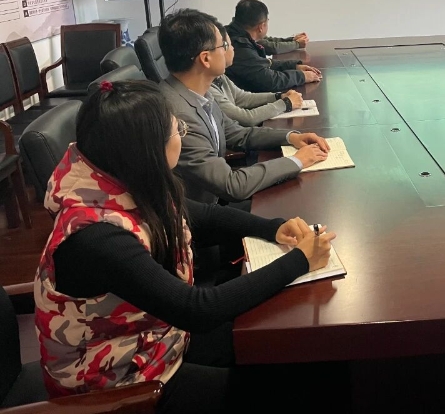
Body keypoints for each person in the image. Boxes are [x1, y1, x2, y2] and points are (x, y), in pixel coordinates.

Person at [33, 80, 336, 412]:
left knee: (287, 349)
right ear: (147, 150)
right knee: (295, 387)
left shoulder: (119, 177)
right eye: (176, 130)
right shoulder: (97, 236)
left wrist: (273, 228)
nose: (183, 134)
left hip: (154, 336)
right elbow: (198, 310)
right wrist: (300, 261)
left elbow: (201, 216)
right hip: (119, 385)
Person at [159, 9, 328, 205]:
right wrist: (297, 161)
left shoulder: (197, 91)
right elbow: (233, 186)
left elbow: (238, 134)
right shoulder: (178, 115)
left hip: (215, 199)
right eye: (224, 45)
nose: (230, 50)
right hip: (199, 214)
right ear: (205, 59)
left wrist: (292, 137)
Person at [208, 21, 304, 126]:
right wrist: (285, 103)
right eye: (227, 45)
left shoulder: (219, 76)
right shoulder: (208, 90)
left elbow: (242, 98)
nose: (233, 48)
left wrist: (279, 96)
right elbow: (246, 118)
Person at [226, 0, 322, 94]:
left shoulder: (233, 34)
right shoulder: (241, 47)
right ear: (261, 27)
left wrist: (294, 66)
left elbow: (262, 63)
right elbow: (271, 81)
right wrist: (302, 76)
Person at [241, 0, 309, 54]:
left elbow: (268, 40)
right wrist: (297, 44)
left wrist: (292, 40)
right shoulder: (245, 33)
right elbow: (272, 48)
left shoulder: (249, 27)